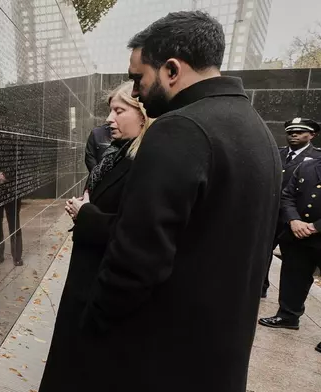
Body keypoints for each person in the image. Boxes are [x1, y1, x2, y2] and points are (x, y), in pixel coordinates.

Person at [72, 11, 280, 392]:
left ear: (170, 69)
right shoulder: (257, 129)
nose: (135, 92)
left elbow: (137, 259)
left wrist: (92, 323)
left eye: (138, 78)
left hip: (158, 357)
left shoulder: (180, 128)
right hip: (216, 357)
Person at [39, 80, 152, 391]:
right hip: (87, 274)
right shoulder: (117, 154)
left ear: (142, 114)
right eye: (109, 111)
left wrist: (86, 214)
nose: (109, 119)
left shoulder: (146, 162)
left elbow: (136, 230)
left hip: (103, 283)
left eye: (119, 110)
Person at [258, 127, 321, 353]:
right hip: (298, 234)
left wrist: (315, 226)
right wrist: (294, 220)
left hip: (315, 232)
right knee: (294, 275)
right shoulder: (308, 166)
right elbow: (288, 195)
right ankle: (288, 316)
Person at [262, 118, 321, 297]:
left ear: (312, 135)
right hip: (271, 212)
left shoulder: (317, 159)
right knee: (262, 252)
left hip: (298, 219)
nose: (294, 135)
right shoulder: (275, 153)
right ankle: (260, 286)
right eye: (290, 132)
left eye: (300, 132)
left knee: (294, 263)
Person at [0, 104, 23, 266]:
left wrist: (5, 174)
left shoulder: (12, 137)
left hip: (10, 188)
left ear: (4, 119)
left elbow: (19, 159)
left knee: (13, 222)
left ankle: (17, 256)